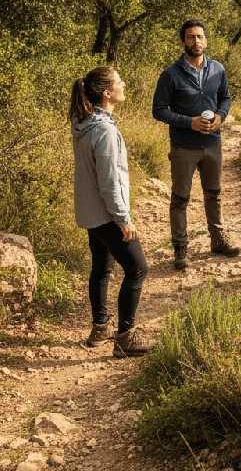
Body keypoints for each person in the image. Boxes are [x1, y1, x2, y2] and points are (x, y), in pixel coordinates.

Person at [71, 67, 154, 358]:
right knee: (137, 268)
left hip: (90, 213)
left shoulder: (83, 121)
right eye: (119, 81)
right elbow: (108, 182)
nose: (123, 84)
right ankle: (125, 337)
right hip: (107, 214)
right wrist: (123, 219)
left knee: (102, 268)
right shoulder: (104, 130)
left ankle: (100, 327)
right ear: (107, 93)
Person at [152, 19, 239, 269]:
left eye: (200, 37)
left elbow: (225, 97)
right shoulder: (170, 75)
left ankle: (218, 240)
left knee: (214, 194)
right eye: (191, 37)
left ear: (206, 40)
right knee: (181, 198)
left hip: (213, 142)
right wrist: (189, 122)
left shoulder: (217, 69)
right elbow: (158, 110)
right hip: (183, 146)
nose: (196, 41)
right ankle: (180, 248)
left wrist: (221, 116)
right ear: (183, 42)